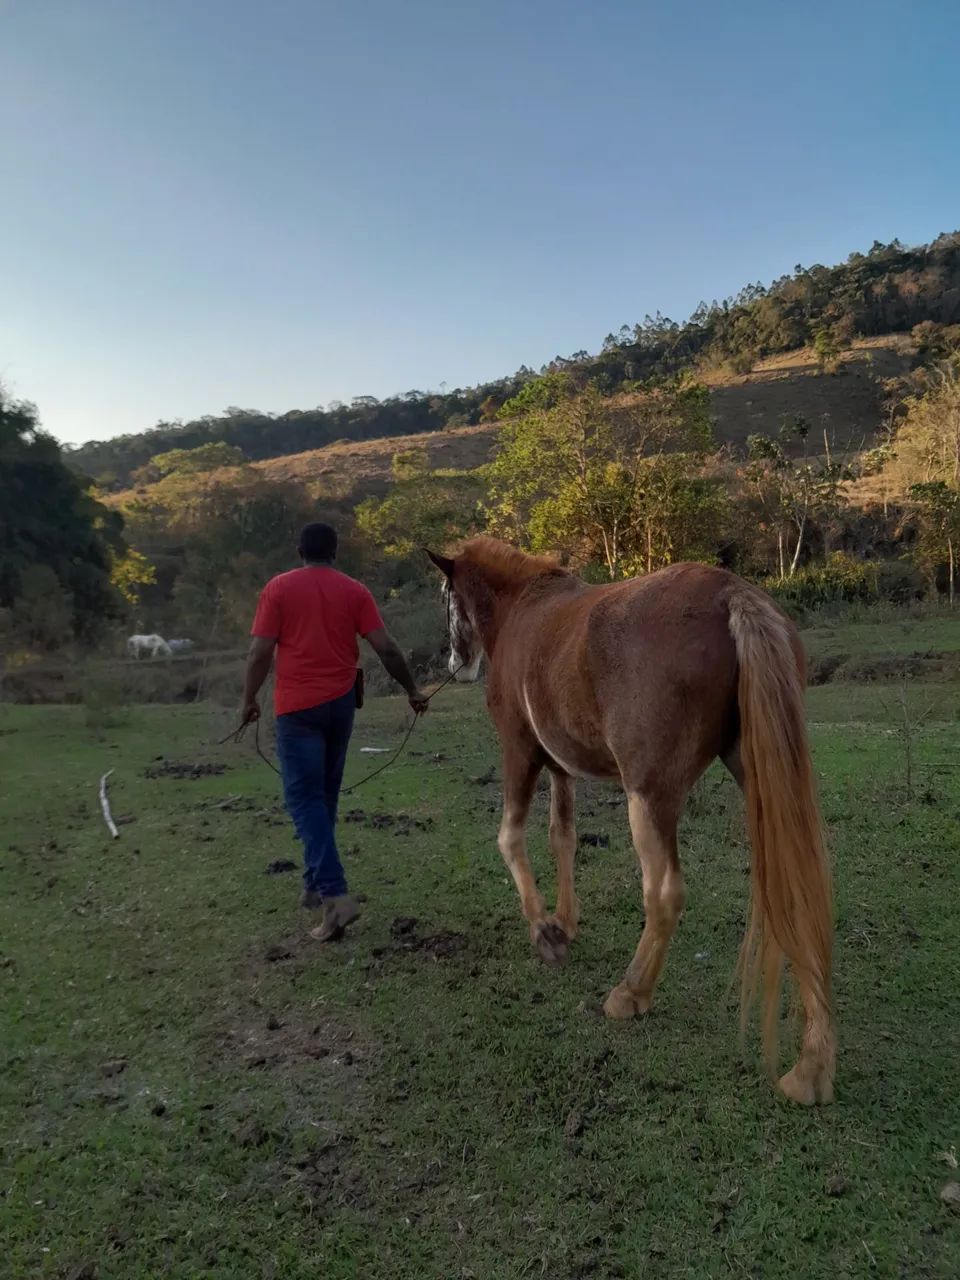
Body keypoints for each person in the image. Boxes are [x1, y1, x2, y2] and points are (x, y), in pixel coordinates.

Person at [241, 522, 428, 942]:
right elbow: (387, 648)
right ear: (335, 552)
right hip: (340, 706)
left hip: (297, 710)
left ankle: (335, 895)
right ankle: (313, 881)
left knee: (304, 800)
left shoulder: (279, 588)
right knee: (323, 797)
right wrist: (412, 690)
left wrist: (248, 699)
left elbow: (258, 652)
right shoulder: (355, 591)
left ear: (299, 549)